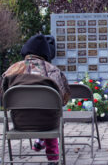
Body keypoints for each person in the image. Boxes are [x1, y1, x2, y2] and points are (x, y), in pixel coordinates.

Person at [0, 34, 71, 165]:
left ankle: (38, 142)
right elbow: (63, 99)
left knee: (41, 110)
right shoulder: (54, 71)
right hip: (48, 124)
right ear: (46, 52)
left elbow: (3, 96)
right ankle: (53, 157)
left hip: (20, 122)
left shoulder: (12, 70)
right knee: (49, 111)